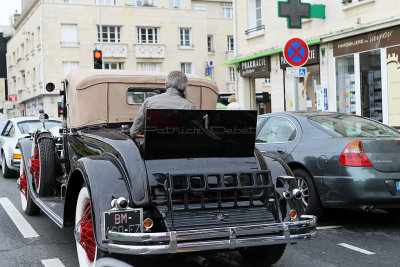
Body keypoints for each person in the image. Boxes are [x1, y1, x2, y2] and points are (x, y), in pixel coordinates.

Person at [130, 70, 196, 138]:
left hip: (152, 147)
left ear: (166, 85)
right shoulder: (190, 106)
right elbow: (193, 134)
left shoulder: (149, 102)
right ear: (184, 89)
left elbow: (134, 132)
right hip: (179, 146)